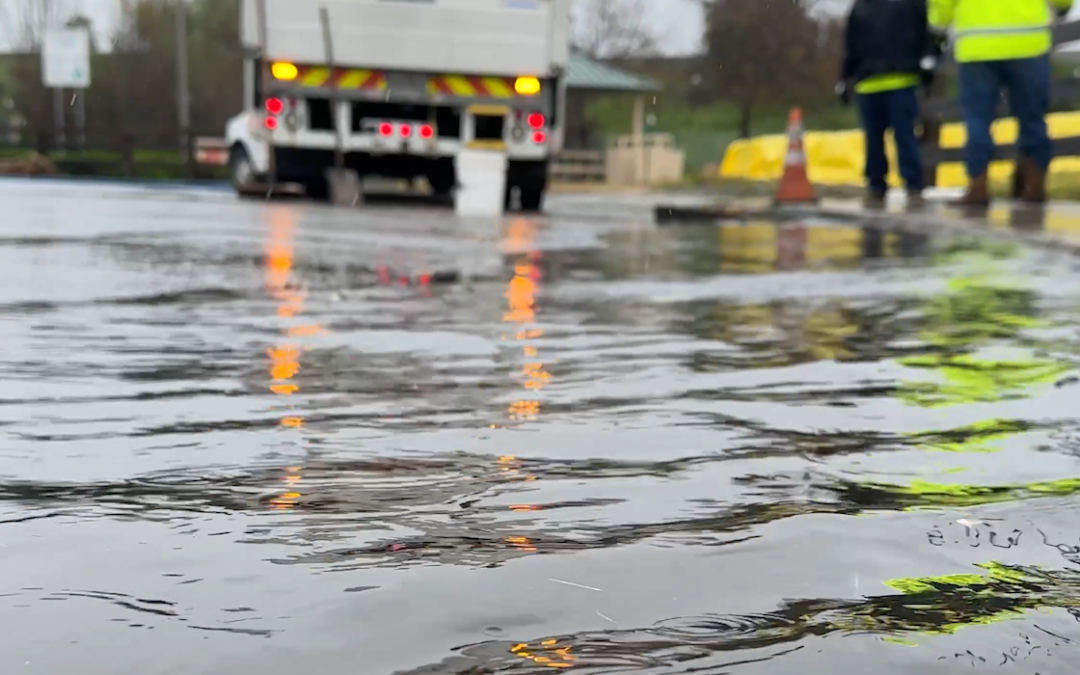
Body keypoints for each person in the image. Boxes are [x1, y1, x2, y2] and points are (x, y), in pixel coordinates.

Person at [930, 0, 1074, 206]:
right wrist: (1061, 9)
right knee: (1032, 117)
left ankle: (978, 186)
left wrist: (939, 24)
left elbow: (940, 9)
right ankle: (1035, 186)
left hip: (977, 45)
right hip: (1028, 42)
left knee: (977, 120)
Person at [838, 0, 933, 209]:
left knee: (882, 137)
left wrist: (845, 77)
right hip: (894, 78)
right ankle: (908, 187)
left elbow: (850, 45)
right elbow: (925, 34)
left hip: (880, 80)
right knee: (901, 135)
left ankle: (880, 186)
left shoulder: (861, 6)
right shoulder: (909, 3)